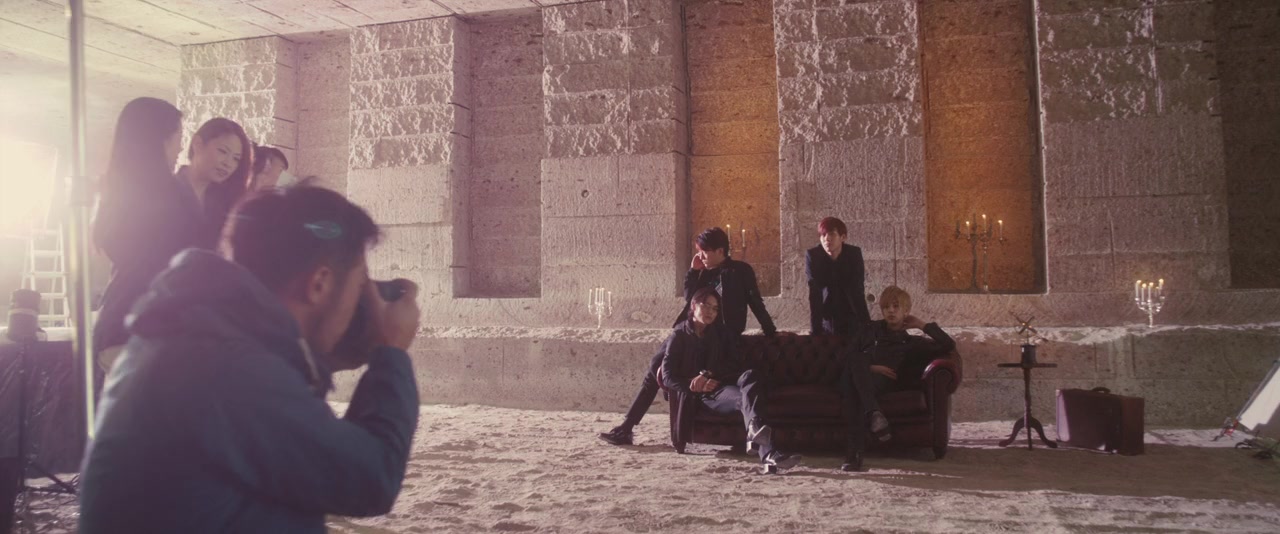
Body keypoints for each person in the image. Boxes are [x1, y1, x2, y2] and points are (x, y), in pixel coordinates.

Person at [79, 184, 422, 533]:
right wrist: (390, 351)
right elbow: (371, 478)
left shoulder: (193, 335)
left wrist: (337, 351)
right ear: (319, 283)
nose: (363, 301)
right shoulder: (227, 369)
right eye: (359, 285)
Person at [598, 227, 778, 446]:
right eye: (699, 251)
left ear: (720, 251)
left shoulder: (740, 270)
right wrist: (694, 272)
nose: (700, 256)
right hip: (689, 332)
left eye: (704, 251)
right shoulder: (704, 272)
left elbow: (755, 302)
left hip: (721, 336)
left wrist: (771, 332)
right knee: (654, 369)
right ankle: (626, 428)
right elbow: (690, 300)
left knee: (677, 371)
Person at [92, 97, 200, 370]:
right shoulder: (173, 194)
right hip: (154, 329)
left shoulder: (115, 190)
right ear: (160, 138)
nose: (180, 148)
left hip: (115, 324)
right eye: (179, 138)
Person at [659, 288, 800, 473]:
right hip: (705, 394)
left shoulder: (721, 333)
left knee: (751, 376)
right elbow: (667, 376)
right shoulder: (679, 336)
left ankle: (755, 432)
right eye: (706, 305)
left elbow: (734, 363)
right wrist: (695, 385)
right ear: (693, 306)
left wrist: (707, 374)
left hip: (723, 383)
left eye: (715, 308)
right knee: (745, 400)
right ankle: (769, 454)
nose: (711, 312)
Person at [840, 285, 955, 472]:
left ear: (906, 311)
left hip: (880, 384)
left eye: (896, 306)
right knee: (857, 366)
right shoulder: (868, 329)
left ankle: (854, 454)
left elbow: (948, 344)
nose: (891, 311)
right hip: (858, 376)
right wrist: (871, 367)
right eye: (886, 307)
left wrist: (922, 325)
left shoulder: (910, 343)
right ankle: (873, 413)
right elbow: (847, 356)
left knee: (855, 393)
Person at [179, 117, 253, 248]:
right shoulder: (167, 190)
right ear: (198, 144)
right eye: (223, 151)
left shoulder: (226, 202)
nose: (228, 163)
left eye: (236, 159)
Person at [805, 216, 870, 337]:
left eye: (832, 234)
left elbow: (858, 290)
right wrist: (815, 332)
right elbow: (815, 294)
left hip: (850, 312)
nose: (826, 238)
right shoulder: (814, 256)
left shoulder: (853, 254)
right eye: (823, 235)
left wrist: (866, 325)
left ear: (843, 237)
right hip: (827, 313)